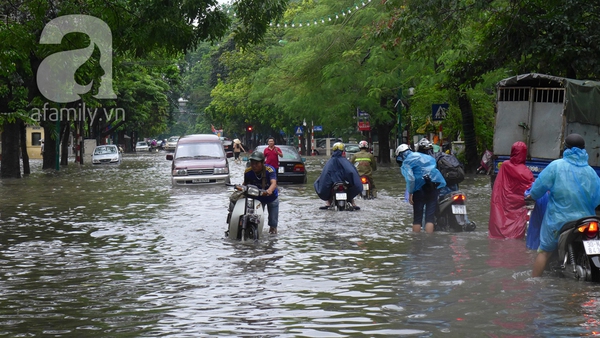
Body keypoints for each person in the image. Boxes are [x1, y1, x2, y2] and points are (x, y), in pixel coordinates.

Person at [529, 134, 600, 277]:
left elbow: (538, 189)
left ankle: (533, 282)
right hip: (587, 220)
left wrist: (531, 196)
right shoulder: (591, 172)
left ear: (565, 149)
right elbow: (597, 200)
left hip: (560, 221)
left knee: (545, 252)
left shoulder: (556, 166)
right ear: (583, 150)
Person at [395, 143, 446, 233]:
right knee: (429, 218)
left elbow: (410, 179)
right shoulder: (426, 157)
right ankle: (429, 241)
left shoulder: (407, 162)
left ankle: (416, 242)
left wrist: (410, 193)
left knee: (417, 218)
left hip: (419, 191)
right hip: (433, 187)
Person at [488, 141, 534, 239]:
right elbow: (531, 190)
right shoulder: (526, 172)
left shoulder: (504, 166)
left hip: (504, 202)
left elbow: (498, 187)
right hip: (517, 205)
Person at [314, 142, 363, 210]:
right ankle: (352, 203)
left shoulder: (330, 162)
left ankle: (328, 203)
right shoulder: (346, 162)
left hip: (334, 184)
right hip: (343, 184)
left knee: (321, 183)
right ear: (343, 151)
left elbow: (324, 177)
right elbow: (353, 174)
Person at [242, 151, 280, 234]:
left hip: (271, 198)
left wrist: (269, 190)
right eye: (252, 163)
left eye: (257, 163)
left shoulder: (270, 170)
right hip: (258, 200)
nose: (254, 166)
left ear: (263, 162)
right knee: (255, 220)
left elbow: (274, 183)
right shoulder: (248, 172)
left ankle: (272, 237)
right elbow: (245, 184)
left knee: (273, 224)